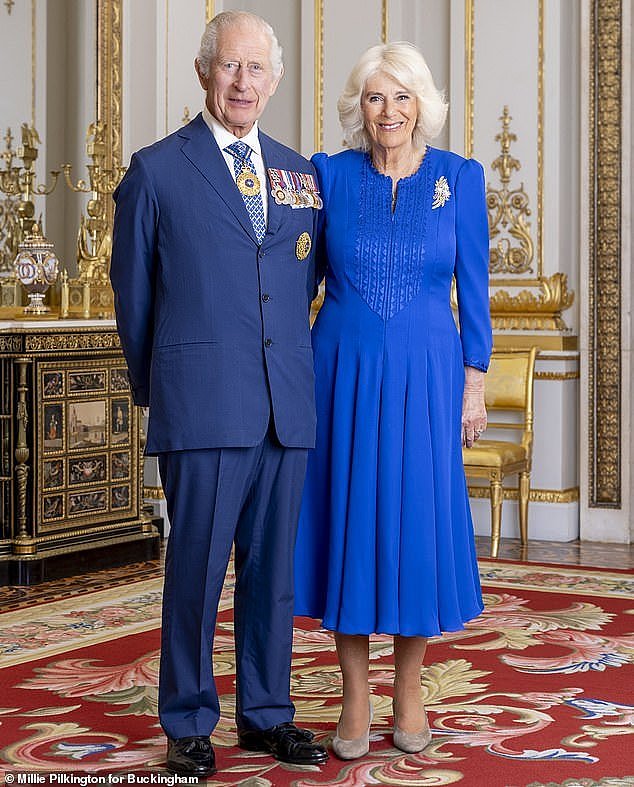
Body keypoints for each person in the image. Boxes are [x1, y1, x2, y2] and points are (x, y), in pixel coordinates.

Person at [110, 11, 328, 778]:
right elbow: (134, 300)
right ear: (205, 73)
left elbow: (309, 281)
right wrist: (163, 387)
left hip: (284, 406)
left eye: (257, 69)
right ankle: (189, 718)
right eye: (230, 67)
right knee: (197, 568)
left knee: (273, 573)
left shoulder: (302, 173)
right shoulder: (156, 170)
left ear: (274, 80)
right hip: (202, 403)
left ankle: (267, 713)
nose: (243, 82)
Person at [294, 42, 492, 760]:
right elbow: (298, 284)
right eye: (376, 97)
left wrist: (475, 383)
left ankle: (408, 689)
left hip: (428, 378)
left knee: (413, 525)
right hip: (339, 371)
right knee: (346, 518)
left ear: (422, 105)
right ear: (360, 108)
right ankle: (354, 696)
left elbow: (475, 289)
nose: (389, 111)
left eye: (402, 96)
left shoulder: (459, 179)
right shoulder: (328, 176)